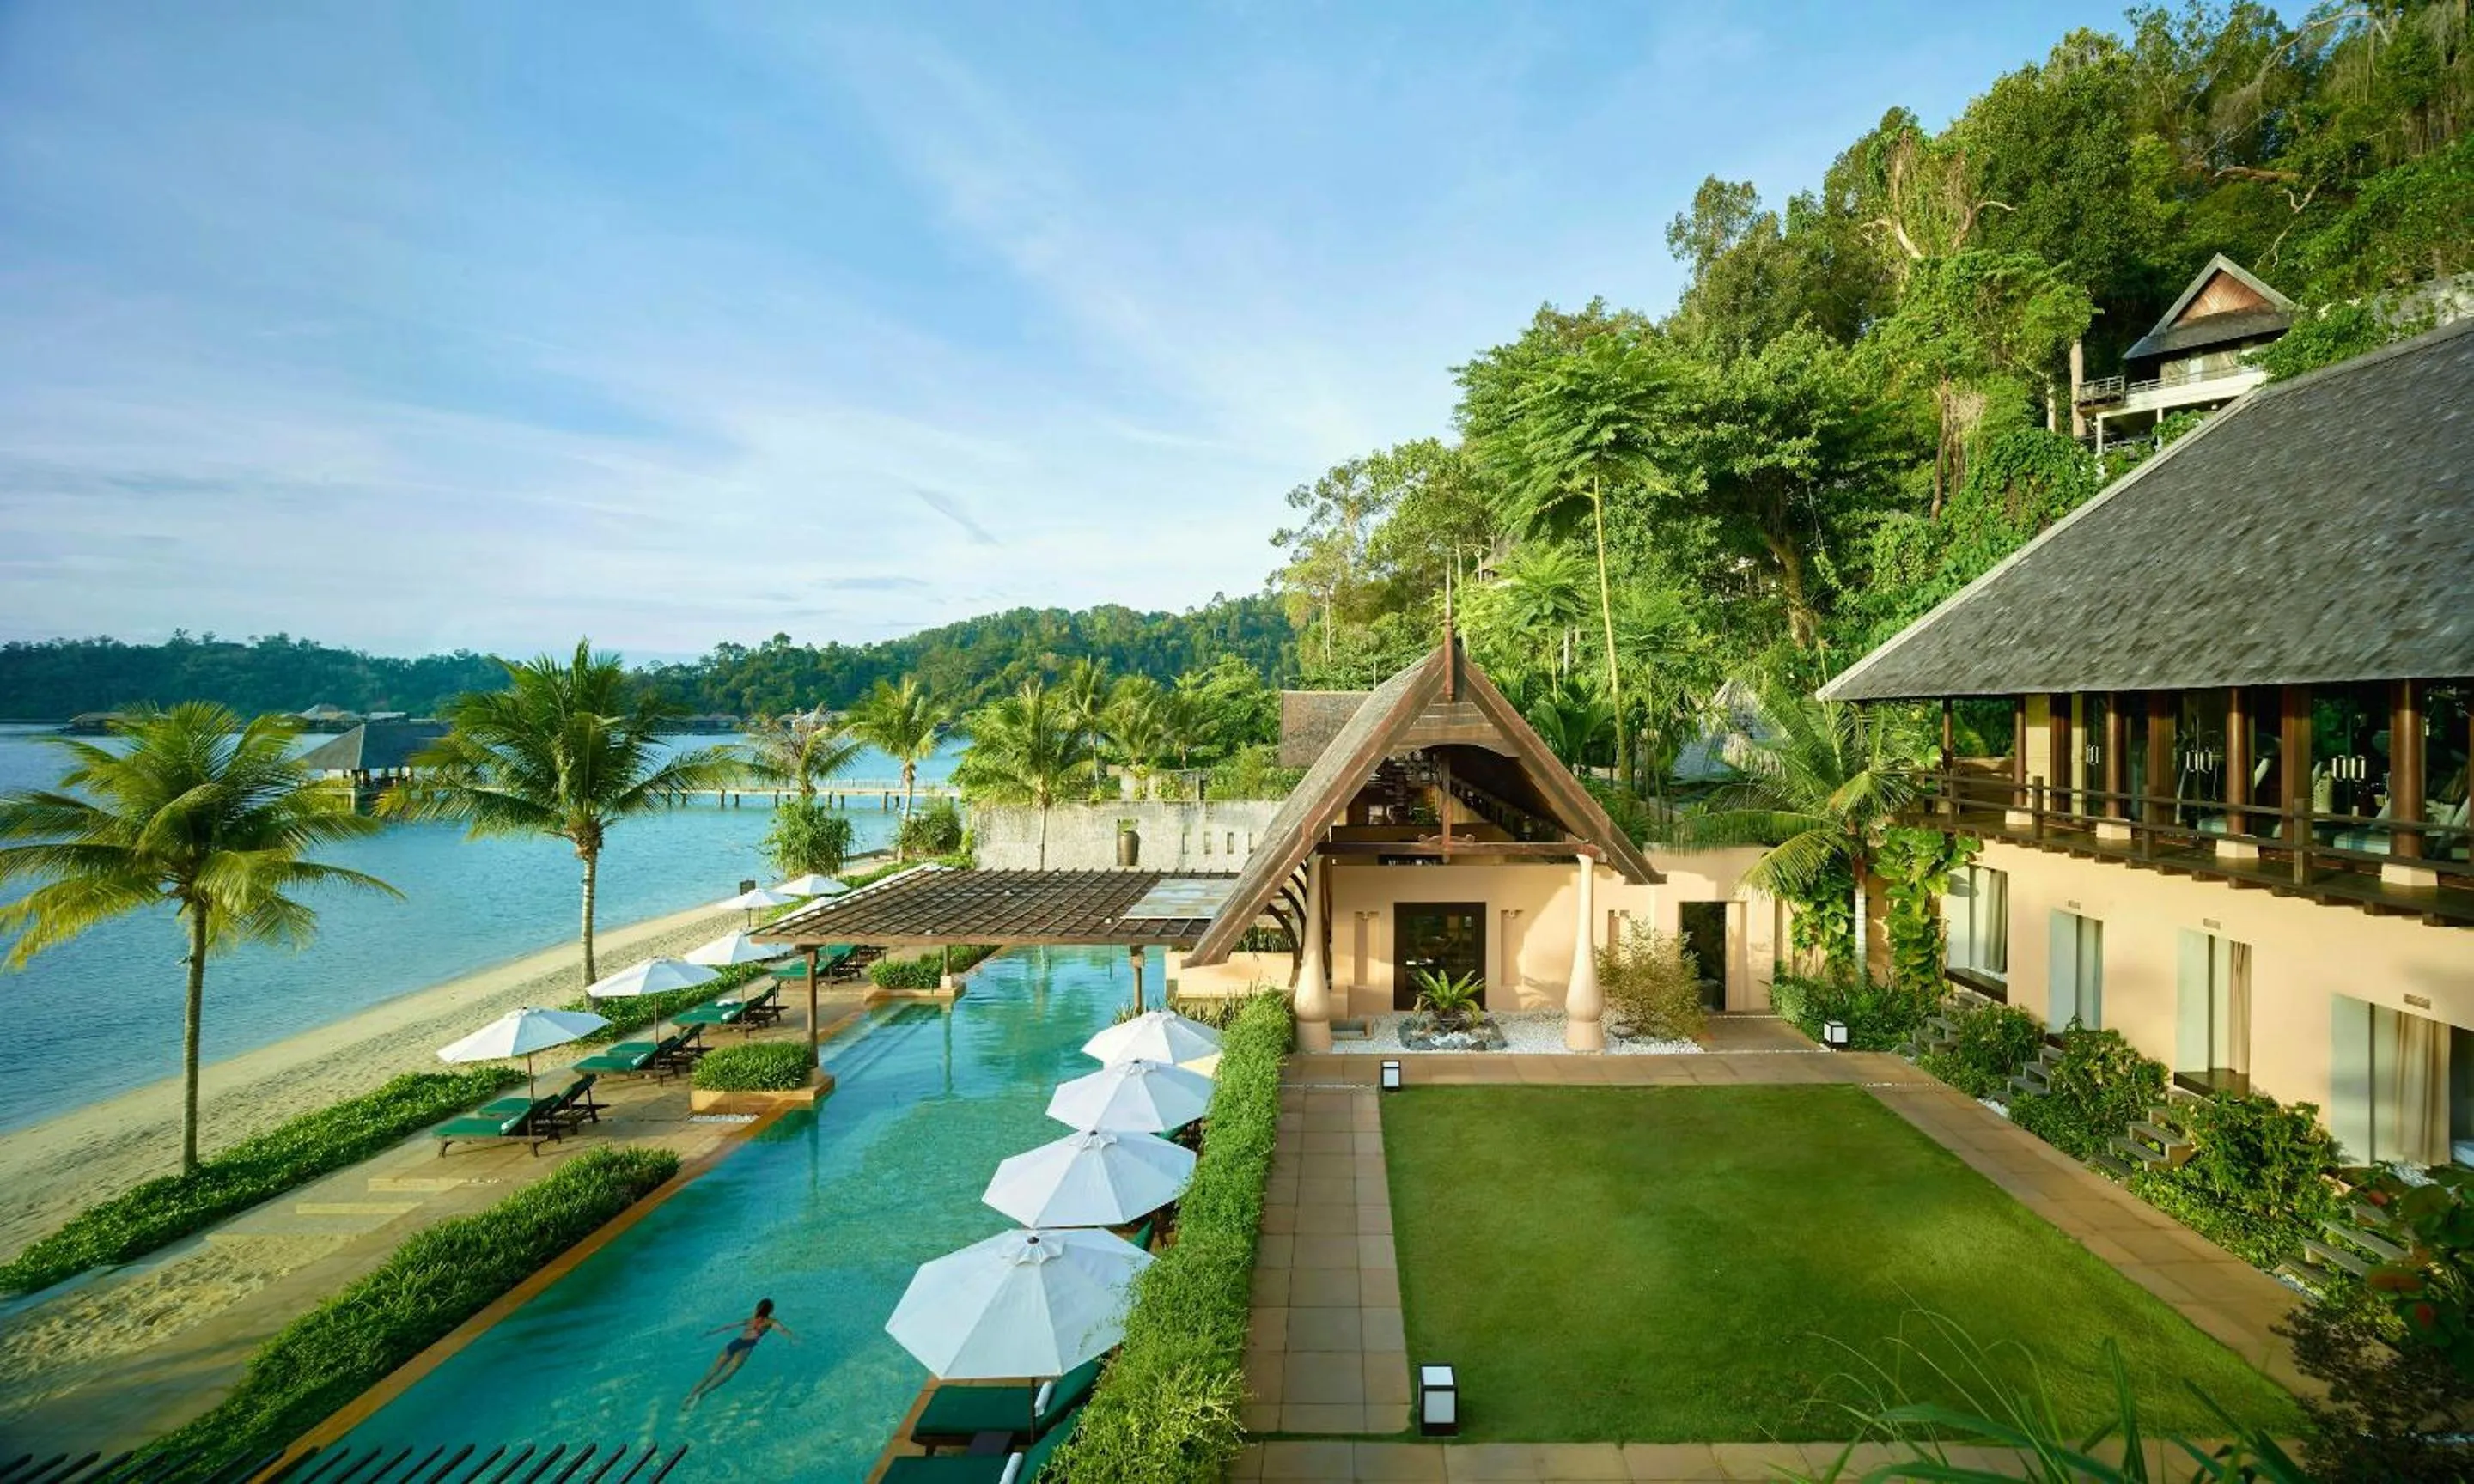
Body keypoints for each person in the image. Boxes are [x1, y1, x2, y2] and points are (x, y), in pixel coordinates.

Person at [684, 1298, 795, 1407]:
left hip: (735, 1343)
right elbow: (782, 1330)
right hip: (746, 1346)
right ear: (770, 1310)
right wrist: (794, 1339)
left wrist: (711, 1332)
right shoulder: (771, 1322)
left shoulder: (750, 1320)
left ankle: (690, 1395)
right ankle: (702, 1394)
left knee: (712, 1372)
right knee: (728, 1373)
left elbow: (728, 1326)